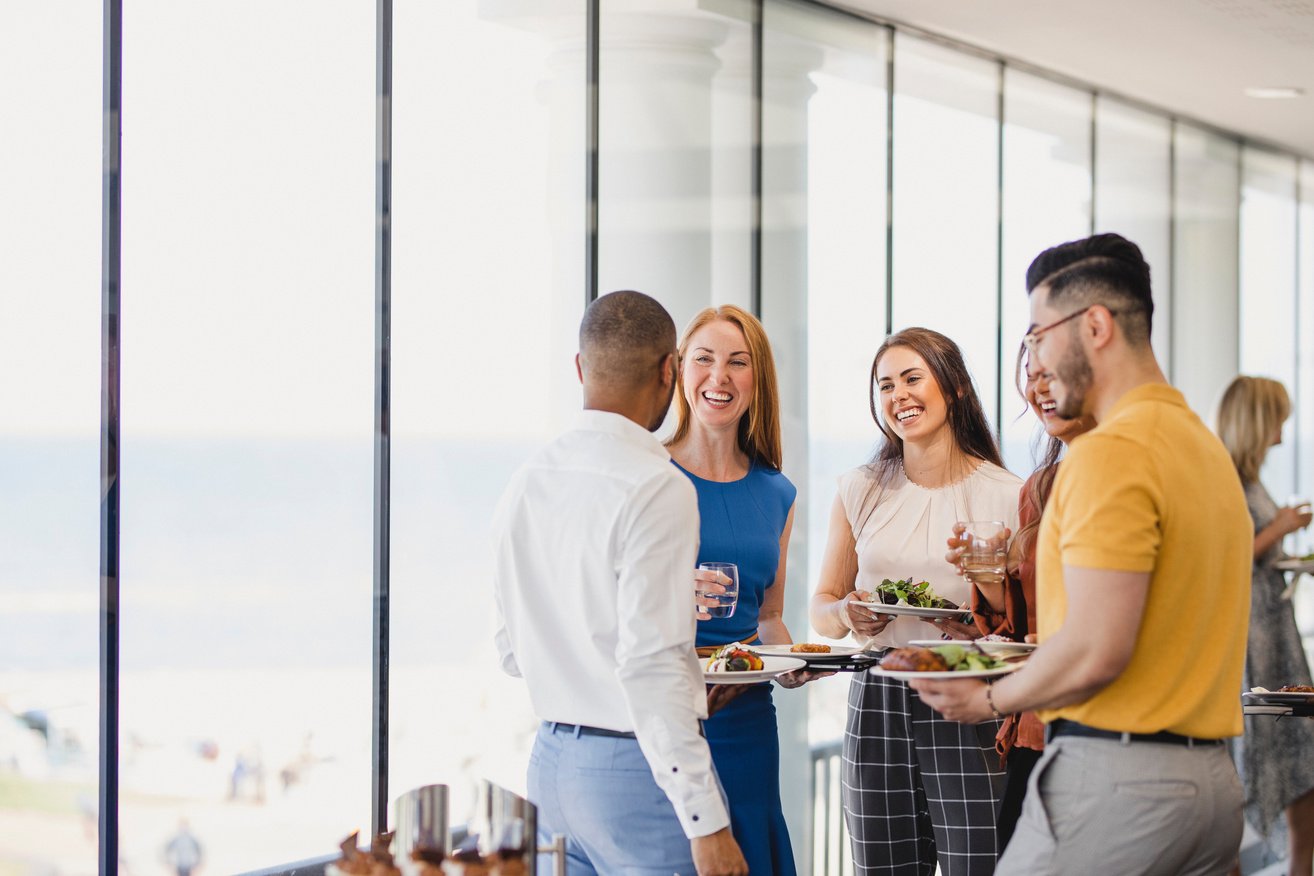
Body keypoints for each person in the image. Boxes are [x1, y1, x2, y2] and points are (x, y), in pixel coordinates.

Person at [911, 232, 1253, 876]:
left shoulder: (1110, 453)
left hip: (1119, 783)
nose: (1034, 357)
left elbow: (1099, 648)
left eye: (1039, 335)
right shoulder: (1202, 448)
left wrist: (988, 701)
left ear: (1094, 326)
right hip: (1210, 786)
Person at [490, 290, 746, 876]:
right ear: (670, 370)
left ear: (580, 368)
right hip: (638, 771)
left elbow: (510, 649)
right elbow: (650, 663)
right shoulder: (657, 486)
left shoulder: (526, 480)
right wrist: (707, 822)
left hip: (549, 770)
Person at [809, 326, 1022, 876]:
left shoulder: (1007, 493)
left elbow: (1023, 626)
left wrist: (981, 613)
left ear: (951, 388)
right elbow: (823, 608)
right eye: (885, 385)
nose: (898, 395)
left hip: (969, 690)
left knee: (975, 864)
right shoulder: (860, 488)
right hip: (878, 691)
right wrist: (847, 612)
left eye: (912, 378)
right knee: (883, 867)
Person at [666, 304, 813, 875]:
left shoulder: (778, 493)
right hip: (672, 716)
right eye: (704, 360)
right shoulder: (649, 477)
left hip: (749, 721)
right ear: (681, 371)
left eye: (737, 363)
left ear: (758, 380)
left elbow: (769, 615)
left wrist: (790, 660)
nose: (719, 377)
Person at [945, 349, 1094, 853]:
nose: (1038, 389)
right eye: (1030, 378)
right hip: (1036, 728)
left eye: (1050, 374)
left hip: (1104, 731)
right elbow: (1016, 627)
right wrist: (986, 575)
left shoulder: (1129, 475)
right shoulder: (1039, 489)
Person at [1217, 375, 1314, 876]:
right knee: (1252, 751)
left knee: (1300, 747)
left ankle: (1300, 865)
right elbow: (1224, 560)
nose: (1283, 429)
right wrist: (1281, 528)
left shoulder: (1251, 479)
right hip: (1252, 637)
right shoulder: (1225, 479)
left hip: (1274, 632)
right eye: (1278, 418)